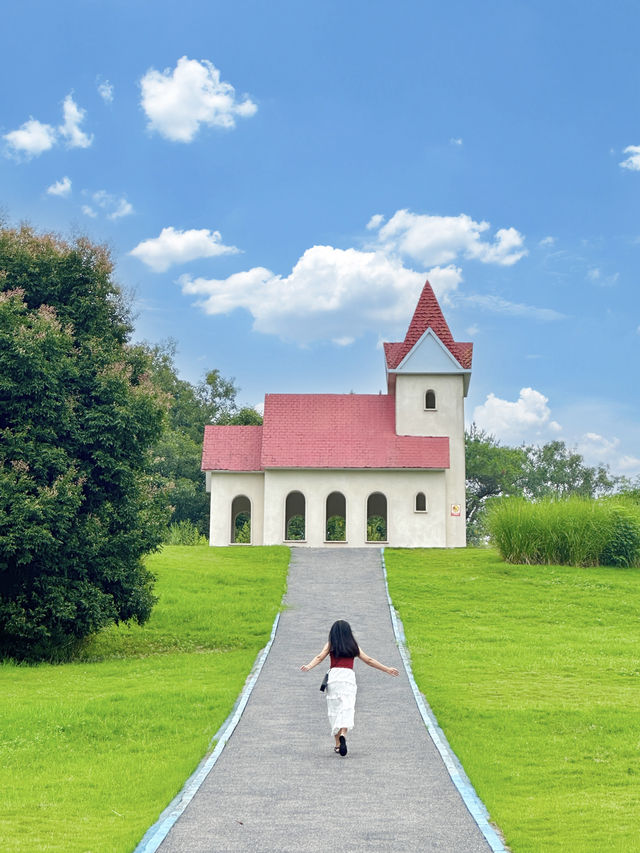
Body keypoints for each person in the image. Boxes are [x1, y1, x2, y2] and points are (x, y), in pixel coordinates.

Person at [300, 619, 399, 756]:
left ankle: (337, 744)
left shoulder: (331, 644)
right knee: (347, 707)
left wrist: (309, 666)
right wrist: (387, 669)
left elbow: (319, 657)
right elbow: (369, 660)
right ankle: (344, 735)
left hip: (334, 677)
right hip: (348, 678)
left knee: (334, 709)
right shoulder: (353, 645)